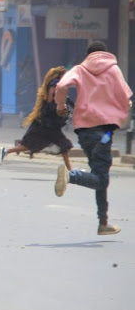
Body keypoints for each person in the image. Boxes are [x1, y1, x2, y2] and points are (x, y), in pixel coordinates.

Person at [53, 40, 133, 236]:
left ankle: (103, 222)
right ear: (105, 54)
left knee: (99, 174)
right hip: (104, 132)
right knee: (101, 179)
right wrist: (123, 109)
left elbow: (62, 85)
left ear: (88, 55)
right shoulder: (114, 70)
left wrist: (60, 106)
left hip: (84, 131)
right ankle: (71, 176)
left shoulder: (80, 69)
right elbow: (126, 97)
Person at [0, 66, 73, 169]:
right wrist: (59, 105)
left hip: (49, 122)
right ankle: (70, 170)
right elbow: (50, 98)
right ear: (61, 75)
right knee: (62, 144)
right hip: (48, 122)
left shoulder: (56, 83)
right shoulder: (55, 83)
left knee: (37, 144)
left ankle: (6, 151)